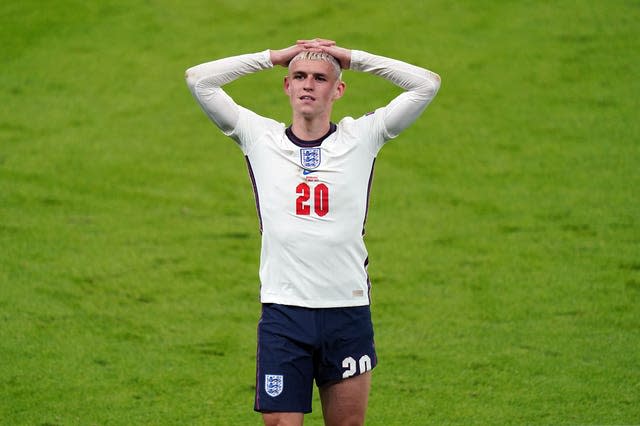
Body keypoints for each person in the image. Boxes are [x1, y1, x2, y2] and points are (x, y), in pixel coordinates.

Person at [185, 38, 440, 426]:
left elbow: (426, 84)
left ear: (338, 90)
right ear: (287, 86)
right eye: (299, 76)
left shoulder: (362, 136)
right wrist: (273, 58)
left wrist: (354, 59)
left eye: (320, 78)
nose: (308, 85)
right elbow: (199, 80)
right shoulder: (259, 137)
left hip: (346, 310)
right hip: (284, 313)